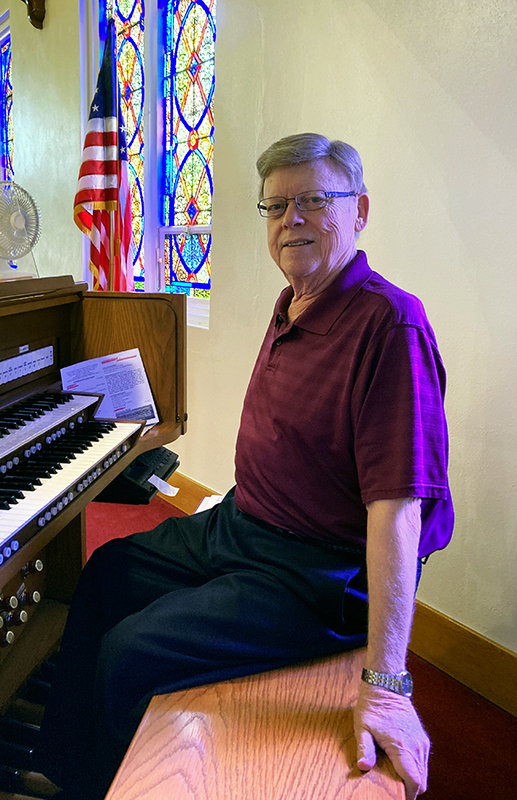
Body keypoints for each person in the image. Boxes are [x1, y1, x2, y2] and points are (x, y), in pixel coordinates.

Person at [37, 133, 453, 800]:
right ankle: (67, 771)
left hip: (315, 571)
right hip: (239, 524)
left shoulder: (390, 326)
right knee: (105, 576)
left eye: (315, 200)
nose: (293, 219)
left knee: (130, 654)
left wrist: (386, 683)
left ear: (361, 211)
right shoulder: (293, 301)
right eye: (277, 205)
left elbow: (399, 512)